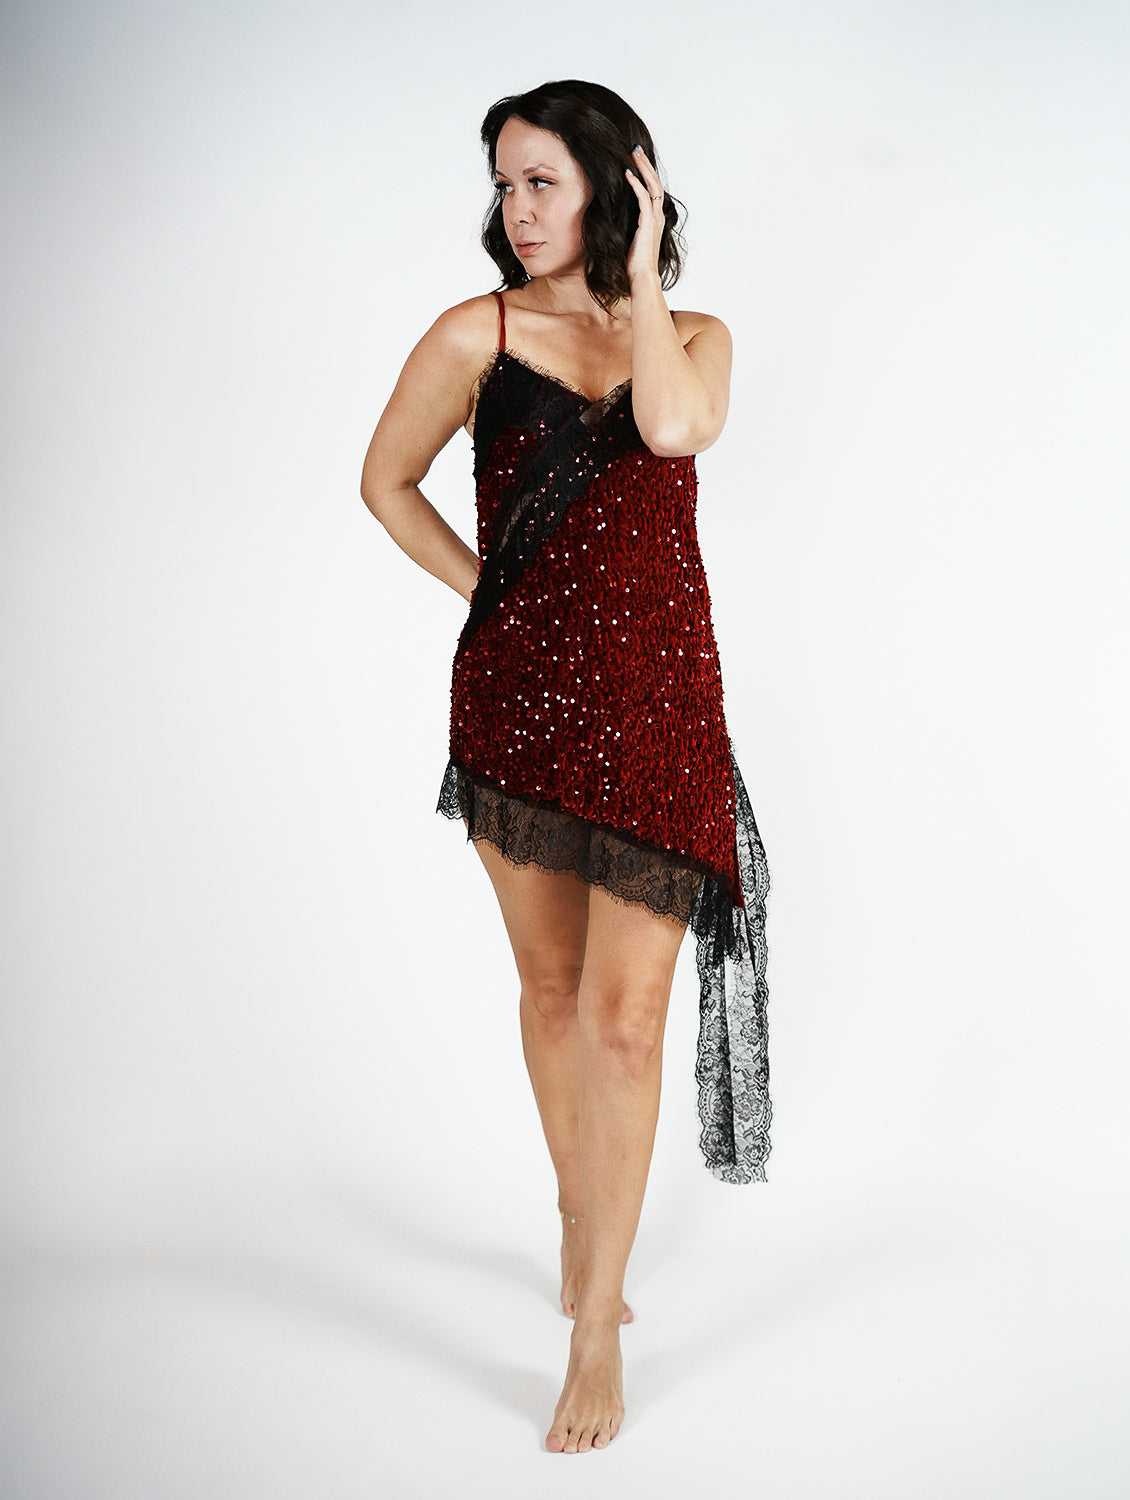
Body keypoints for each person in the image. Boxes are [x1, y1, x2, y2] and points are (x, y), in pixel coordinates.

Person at [360, 79, 771, 1455]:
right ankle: (577, 1210)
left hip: (659, 709)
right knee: (551, 989)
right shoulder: (474, 333)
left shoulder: (694, 337)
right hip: (519, 708)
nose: (516, 208)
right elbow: (385, 482)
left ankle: (597, 1323)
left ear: (616, 183)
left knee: (627, 1021)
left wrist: (639, 278)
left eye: (542, 179)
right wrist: (492, 597)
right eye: (504, 184)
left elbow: (673, 429)